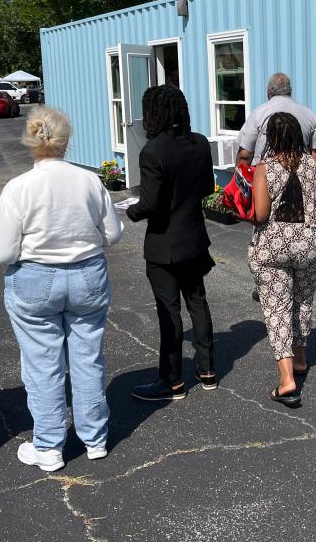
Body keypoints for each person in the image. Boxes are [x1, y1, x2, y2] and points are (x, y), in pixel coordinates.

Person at [0, 107, 123, 471]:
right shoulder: (89, 181)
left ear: (31, 141)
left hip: (35, 276)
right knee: (87, 356)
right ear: (66, 141)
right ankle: (95, 438)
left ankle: (48, 446)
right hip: (87, 276)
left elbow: (1, 250)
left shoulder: (19, 188)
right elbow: (112, 233)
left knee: (43, 363)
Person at [126, 85, 217, 401]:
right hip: (194, 238)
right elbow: (207, 187)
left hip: (164, 244)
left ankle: (172, 381)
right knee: (197, 302)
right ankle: (207, 371)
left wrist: (130, 211)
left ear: (154, 113)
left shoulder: (153, 151)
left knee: (169, 312)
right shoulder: (200, 143)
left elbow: (150, 203)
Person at [249, 112, 316, 408]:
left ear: (270, 139)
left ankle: (287, 381)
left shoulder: (264, 168)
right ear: (299, 135)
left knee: (277, 308)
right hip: (312, 246)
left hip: (273, 248)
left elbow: (260, 215)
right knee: (302, 301)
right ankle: (299, 358)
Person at [236, 72, 316, 167]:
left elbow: (245, 155)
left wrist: (238, 179)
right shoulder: (310, 115)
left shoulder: (258, 114)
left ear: (268, 92)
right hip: (299, 175)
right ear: (290, 91)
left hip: (264, 176)